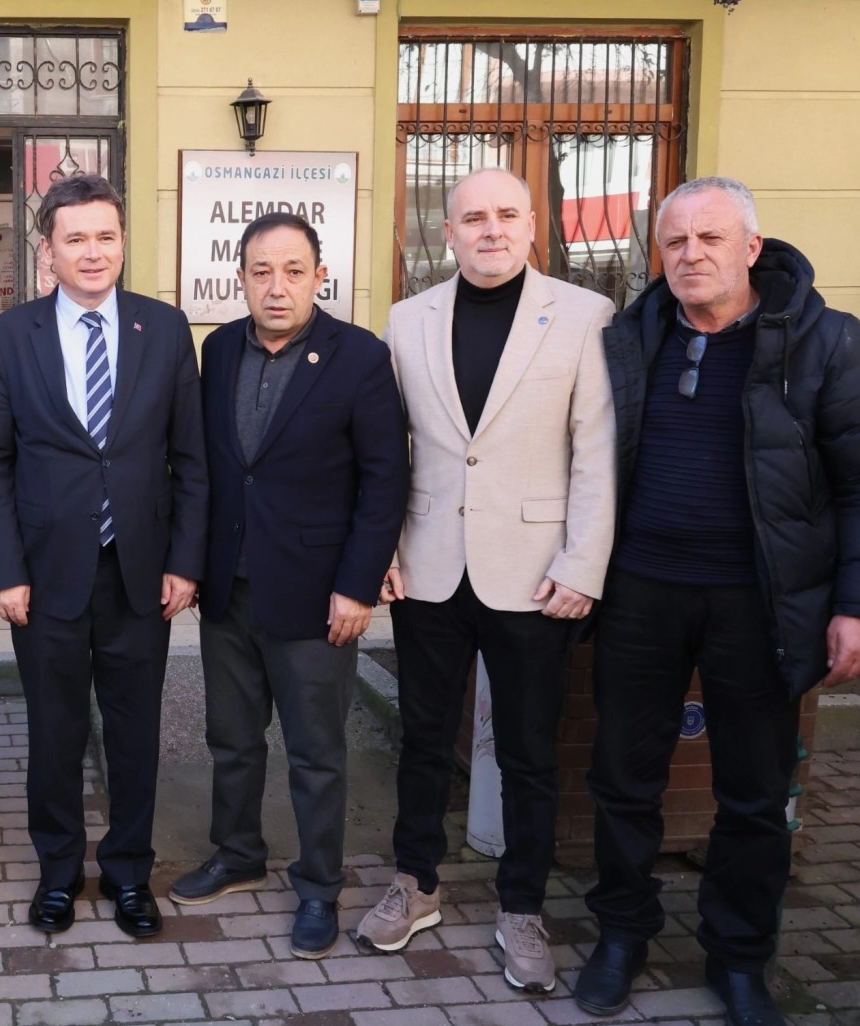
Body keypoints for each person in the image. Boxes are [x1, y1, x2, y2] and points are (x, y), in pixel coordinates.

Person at [575, 176, 860, 1026]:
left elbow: (855, 486)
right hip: (639, 591)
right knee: (621, 778)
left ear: (750, 247)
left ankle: (738, 958)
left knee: (753, 792)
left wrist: (850, 602)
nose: (690, 255)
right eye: (674, 242)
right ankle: (620, 934)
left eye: (709, 238)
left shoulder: (824, 341)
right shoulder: (630, 336)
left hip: (759, 601)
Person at [356, 168, 617, 994]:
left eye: (506, 214)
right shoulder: (407, 320)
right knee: (422, 740)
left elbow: (596, 452)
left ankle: (521, 907)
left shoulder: (583, 315)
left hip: (535, 575)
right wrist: (379, 550)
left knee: (528, 753)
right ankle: (415, 882)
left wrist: (582, 565)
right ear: (448, 232)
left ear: (532, 225)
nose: (490, 229)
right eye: (472, 217)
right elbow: (385, 450)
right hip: (428, 566)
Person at [0, 174, 208, 938]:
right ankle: (58, 872)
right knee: (55, 734)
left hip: (140, 574)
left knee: (135, 735)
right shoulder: (9, 336)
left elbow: (190, 458)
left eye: (105, 235)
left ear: (123, 241)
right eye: (75, 238)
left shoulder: (163, 329)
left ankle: (129, 873)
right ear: (47, 250)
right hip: (44, 579)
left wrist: (184, 562)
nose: (93, 251)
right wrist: (4, 571)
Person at [170, 212, 408, 958]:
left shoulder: (358, 356)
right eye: (262, 272)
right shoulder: (218, 349)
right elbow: (213, 469)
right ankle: (238, 853)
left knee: (314, 752)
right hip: (229, 589)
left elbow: (384, 480)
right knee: (232, 739)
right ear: (240, 277)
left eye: (294, 271)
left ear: (318, 277)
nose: (277, 287)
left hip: (316, 595)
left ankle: (318, 886)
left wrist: (358, 585)